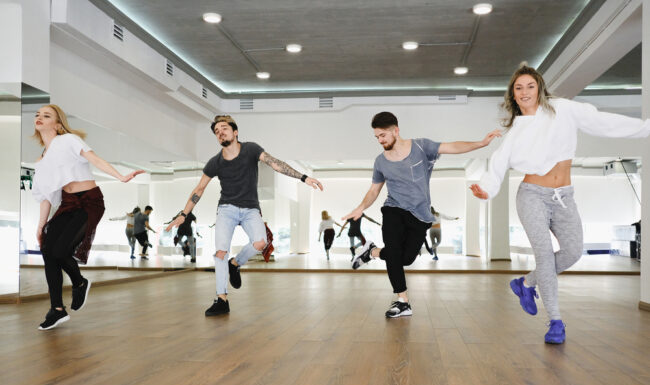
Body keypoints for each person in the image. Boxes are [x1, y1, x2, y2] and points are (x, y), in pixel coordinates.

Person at [470, 63, 650, 344]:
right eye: (518, 88)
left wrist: (645, 129)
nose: (525, 92)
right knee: (544, 255)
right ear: (513, 96)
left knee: (573, 252)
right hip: (531, 195)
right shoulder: (516, 130)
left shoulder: (563, 109)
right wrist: (487, 189)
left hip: (564, 196)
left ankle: (526, 283)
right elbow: (499, 162)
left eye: (530, 86)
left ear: (540, 88)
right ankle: (555, 321)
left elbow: (603, 121)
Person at [344, 111, 500, 318]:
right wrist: (361, 207)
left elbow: (452, 146)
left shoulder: (420, 147)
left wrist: (481, 144)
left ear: (396, 131)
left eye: (383, 135)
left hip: (421, 214)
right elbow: (374, 190)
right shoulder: (380, 162)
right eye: (377, 137)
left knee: (406, 259)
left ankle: (371, 252)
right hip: (393, 209)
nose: (380, 140)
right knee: (394, 250)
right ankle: (403, 301)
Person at [166, 114, 323, 316]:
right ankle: (221, 299)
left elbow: (274, 163)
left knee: (261, 242)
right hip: (226, 209)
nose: (220, 132)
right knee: (220, 252)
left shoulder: (250, 149)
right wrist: (184, 214)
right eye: (216, 131)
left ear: (235, 131)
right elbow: (199, 189)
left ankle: (235, 263)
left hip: (250, 208)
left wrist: (303, 177)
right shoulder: (215, 162)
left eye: (224, 128)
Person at [31, 104, 143, 330]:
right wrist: (41, 225)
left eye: (46, 115)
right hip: (67, 203)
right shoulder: (41, 160)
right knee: (48, 252)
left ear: (58, 124)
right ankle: (57, 310)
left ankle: (80, 282)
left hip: (89, 201)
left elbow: (95, 159)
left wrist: (120, 177)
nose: (39, 118)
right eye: (37, 115)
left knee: (61, 251)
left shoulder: (69, 140)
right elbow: (46, 195)